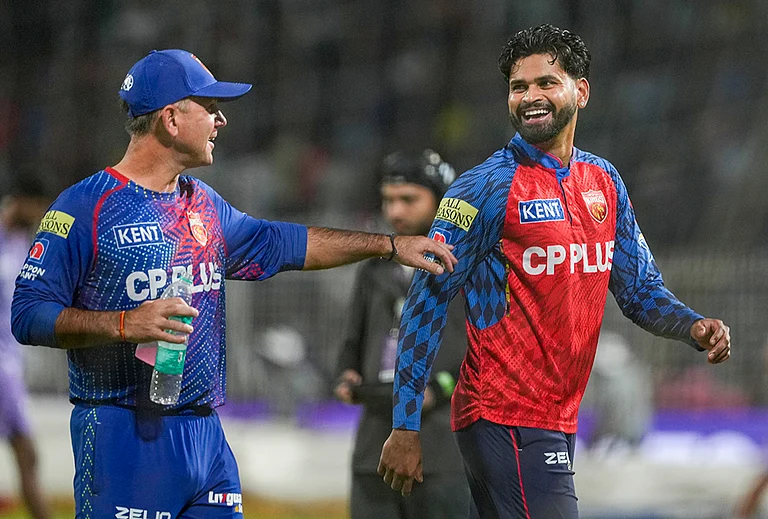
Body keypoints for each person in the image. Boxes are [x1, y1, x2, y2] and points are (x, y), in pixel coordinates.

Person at [10, 49, 457, 519]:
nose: (221, 120)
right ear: (171, 119)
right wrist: (125, 323)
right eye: (210, 107)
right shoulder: (84, 208)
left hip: (205, 438)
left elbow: (284, 242)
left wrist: (389, 244)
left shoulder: (204, 205)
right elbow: (28, 314)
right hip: (124, 433)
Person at [377, 24, 731, 518]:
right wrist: (405, 425)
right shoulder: (481, 190)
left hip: (558, 415)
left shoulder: (603, 182)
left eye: (546, 82)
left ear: (580, 91)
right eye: (519, 87)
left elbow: (639, 290)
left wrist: (693, 326)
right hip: (502, 414)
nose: (530, 97)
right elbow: (425, 301)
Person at [334, 150, 471, 519]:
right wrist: (345, 374)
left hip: (442, 451)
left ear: (440, 200)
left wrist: (439, 389)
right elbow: (353, 341)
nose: (395, 212)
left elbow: (484, 354)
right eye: (388, 200)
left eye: (409, 199)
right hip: (374, 450)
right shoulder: (374, 269)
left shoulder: (467, 268)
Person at [0, 189, 51, 519]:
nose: (38, 216)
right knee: (26, 451)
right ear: (21, 200)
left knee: (27, 453)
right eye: (37, 207)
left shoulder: (23, 244)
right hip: (1, 366)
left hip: (11, 360)